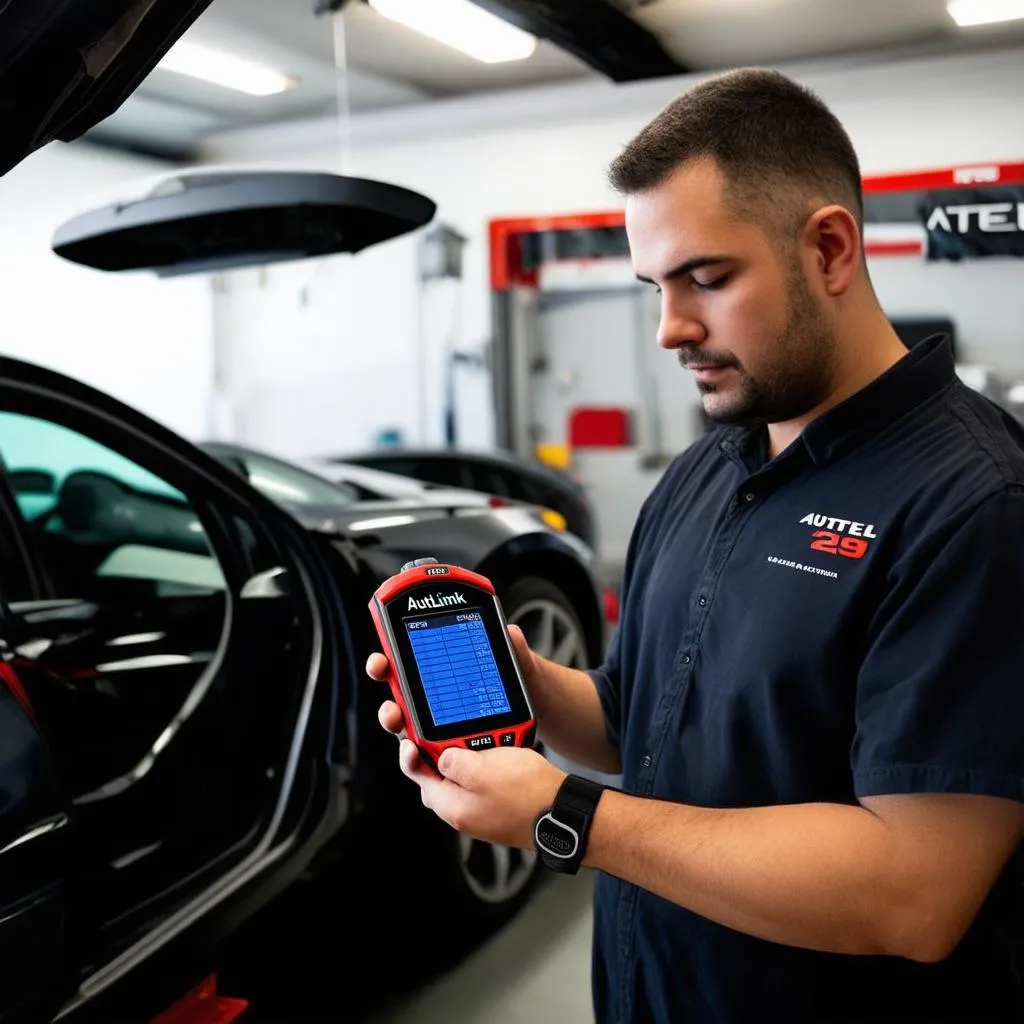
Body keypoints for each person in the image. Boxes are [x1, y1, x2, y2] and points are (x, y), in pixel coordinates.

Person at [367, 67, 1024, 1023]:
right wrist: (533, 686)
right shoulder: (708, 466)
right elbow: (638, 721)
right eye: (654, 286)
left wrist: (566, 815)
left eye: (706, 279)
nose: (672, 327)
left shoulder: (976, 503)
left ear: (831, 249)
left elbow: (915, 891)